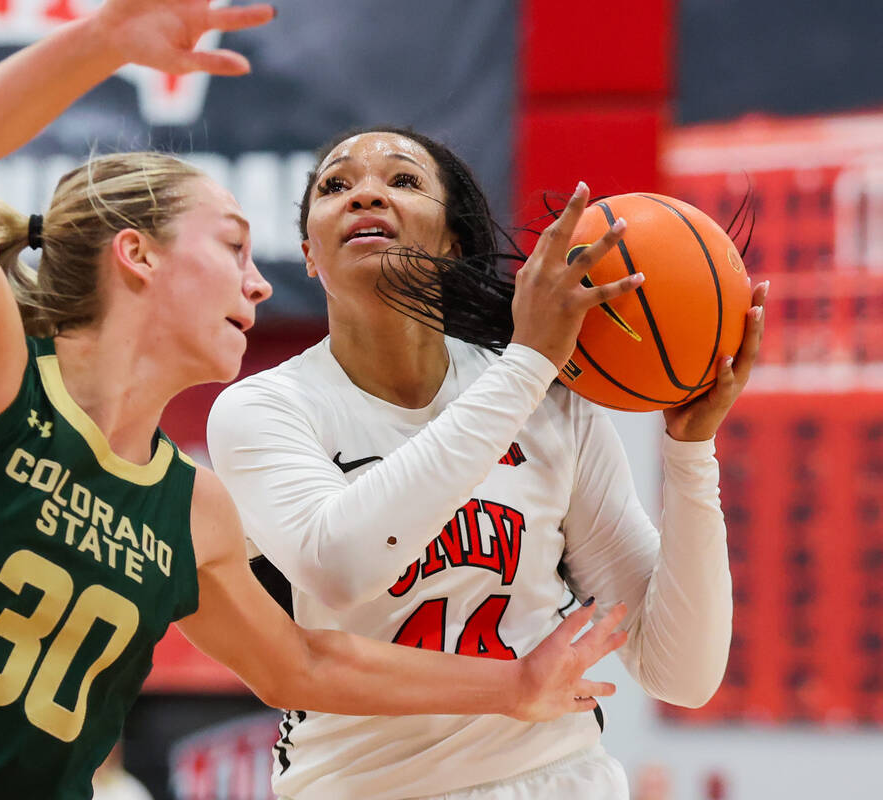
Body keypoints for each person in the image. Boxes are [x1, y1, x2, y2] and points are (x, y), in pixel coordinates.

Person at [0, 7, 631, 800]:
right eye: (234, 247)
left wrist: (514, 689)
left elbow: (304, 665)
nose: (261, 285)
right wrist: (105, 39)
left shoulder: (189, 506)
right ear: (139, 255)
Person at [207, 126, 769, 799]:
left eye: (403, 180)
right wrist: (528, 365)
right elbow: (343, 567)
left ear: (453, 242)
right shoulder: (264, 410)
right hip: (362, 785)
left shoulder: (549, 401)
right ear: (308, 253)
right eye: (335, 185)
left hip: (553, 775)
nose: (365, 195)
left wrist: (689, 452)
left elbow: (682, 673)